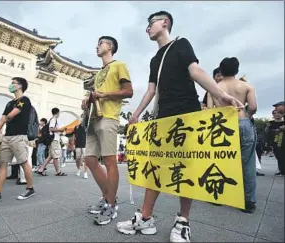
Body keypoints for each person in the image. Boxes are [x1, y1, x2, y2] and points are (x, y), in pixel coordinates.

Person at [116, 11, 243, 242]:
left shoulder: (181, 44)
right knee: (154, 166)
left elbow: (195, 72)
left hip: (186, 114)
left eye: (151, 23)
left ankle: (183, 221)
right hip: (163, 118)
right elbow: (152, 90)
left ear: (165, 23)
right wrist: (135, 114)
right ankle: (145, 218)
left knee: (186, 168)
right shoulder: (155, 59)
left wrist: (221, 95)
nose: (147, 28)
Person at [81, 36, 133, 225]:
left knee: (110, 160)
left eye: (100, 43)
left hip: (109, 117)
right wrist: (88, 100)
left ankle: (111, 204)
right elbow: (96, 94)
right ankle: (108, 197)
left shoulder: (119, 65)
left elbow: (129, 91)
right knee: (90, 160)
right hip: (93, 118)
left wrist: (104, 94)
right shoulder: (98, 73)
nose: (97, 46)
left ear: (109, 46)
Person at [208, 57, 257, 213]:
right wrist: (246, 117)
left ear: (220, 71)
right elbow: (254, 107)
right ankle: (249, 202)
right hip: (243, 123)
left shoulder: (213, 88)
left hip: (221, 125)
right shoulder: (246, 86)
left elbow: (210, 111)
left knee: (220, 162)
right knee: (247, 163)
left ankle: (218, 196)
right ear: (236, 70)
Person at [38, 108, 67, 176]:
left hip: (53, 140)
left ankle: (41, 169)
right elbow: (51, 129)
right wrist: (60, 130)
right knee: (56, 156)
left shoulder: (52, 119)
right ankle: (58, 171)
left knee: (50, 156)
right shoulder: (54, 119)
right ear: (57, 113)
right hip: (54, 140)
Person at [267, 105, 285, 175]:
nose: (276, 114)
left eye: (278, 113)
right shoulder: (270, 123)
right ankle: (281, 169)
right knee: (278, 156)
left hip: (283, 141)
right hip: (275, 141)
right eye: (274, 113)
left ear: (282, 113)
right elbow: (267, 132)